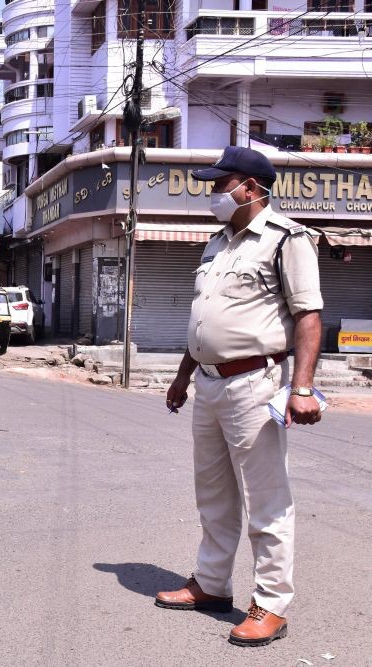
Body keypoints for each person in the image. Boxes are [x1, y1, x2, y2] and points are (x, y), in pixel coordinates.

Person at [154, 146, 324, 647]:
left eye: (220, 183)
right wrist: (184, 376)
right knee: (213, 493)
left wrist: (304, 388)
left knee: (267, 500)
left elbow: (309, 315)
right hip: (207, 383)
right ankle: (210, 584)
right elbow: (205, 319)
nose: (213, 192)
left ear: (250, 188)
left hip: (256, 384)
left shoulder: (286, 239)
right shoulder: (218, 244)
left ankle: (270, 605)